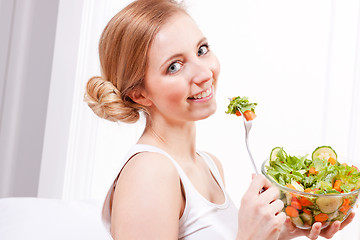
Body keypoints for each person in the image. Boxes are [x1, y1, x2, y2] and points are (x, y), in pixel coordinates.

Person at [84, 0, 355, 239]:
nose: (204, 74)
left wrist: (282, 231)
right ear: (140, 94)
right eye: (174, 66)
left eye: (201, 50)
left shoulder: (210, 165)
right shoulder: (150, 173)